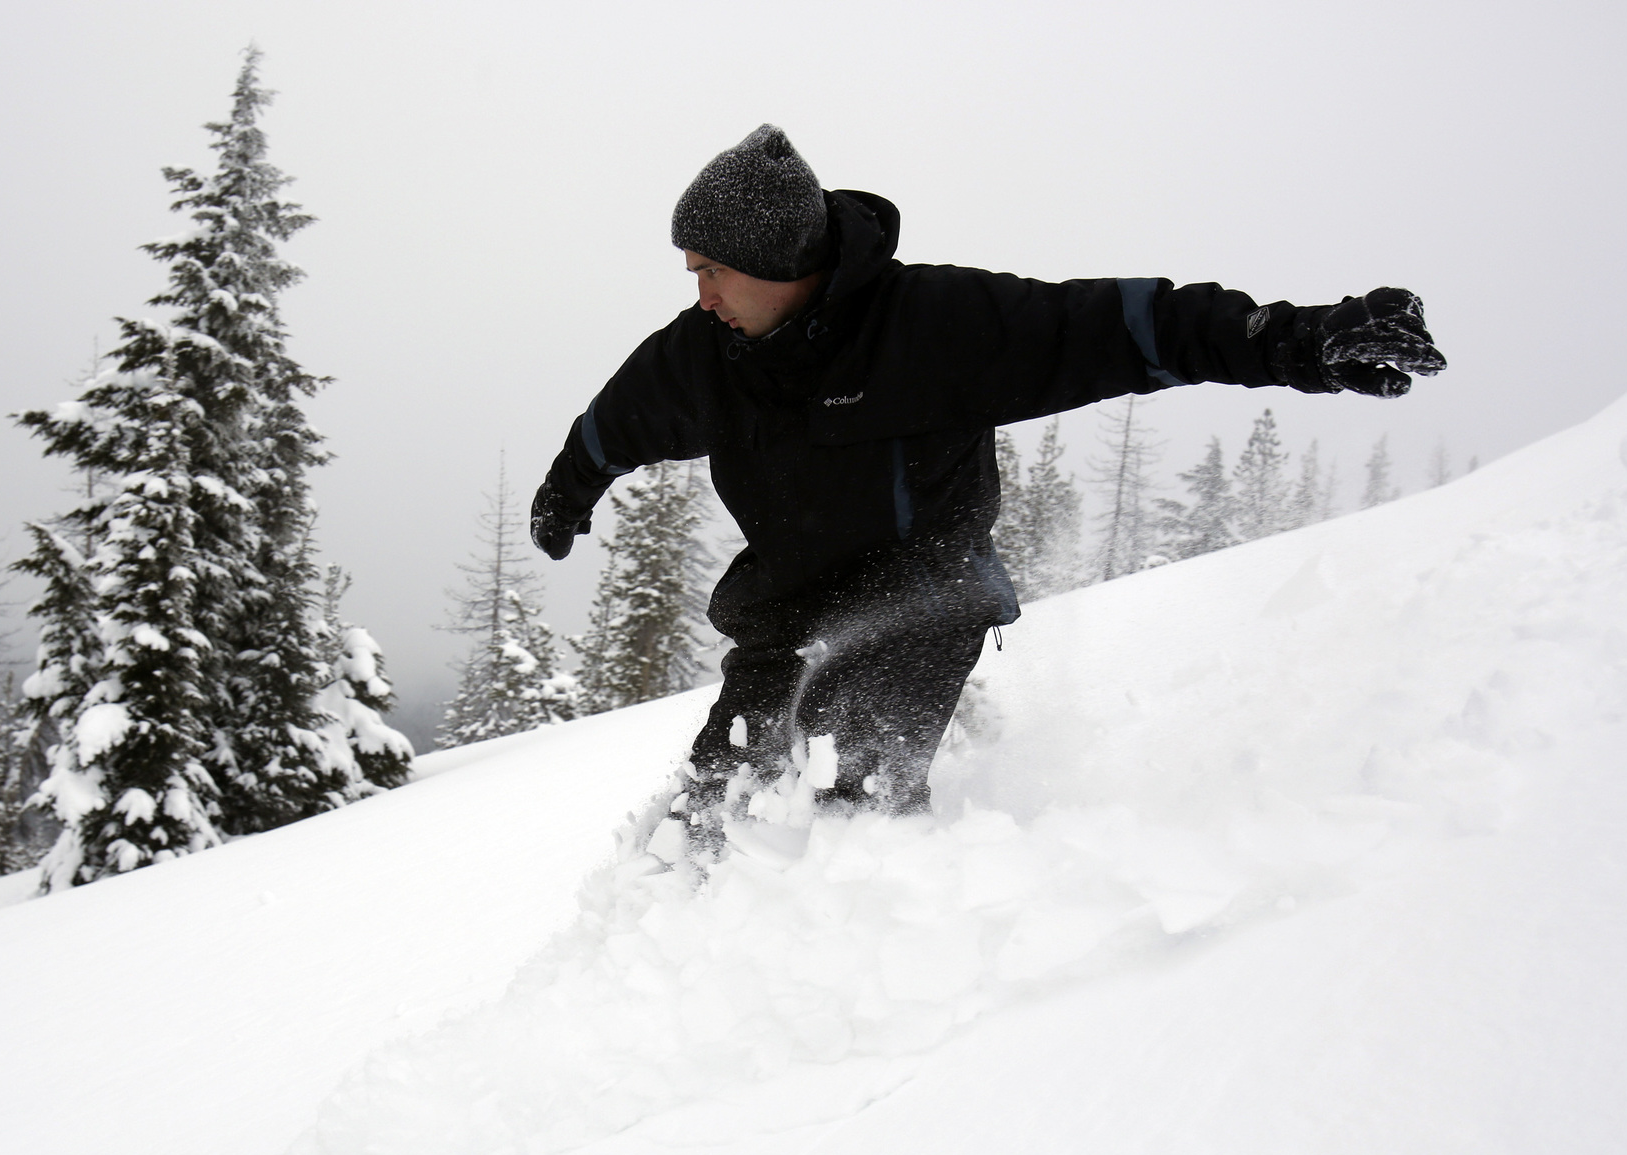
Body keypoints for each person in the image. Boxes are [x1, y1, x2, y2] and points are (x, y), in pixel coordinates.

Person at [528, 124, 1444, 847]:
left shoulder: (936, 325)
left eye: (712, 271)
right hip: (787, 611)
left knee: (858, 807)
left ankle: (881, 995)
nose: (701, 296)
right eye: (693, 274)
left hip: (922, 592)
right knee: (718, 802)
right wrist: (567, 495)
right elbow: (615, 423)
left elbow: (1130, 327)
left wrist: (1302, 339)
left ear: (774, 260)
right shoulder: (705, 356)